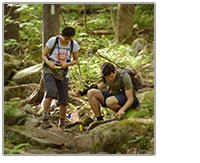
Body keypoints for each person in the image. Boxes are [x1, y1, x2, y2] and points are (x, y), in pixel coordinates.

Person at [41, 26, 80, 130]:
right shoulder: (53, 41)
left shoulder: (73, 44)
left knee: (64, 99)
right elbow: (44, 55)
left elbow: (76, 60)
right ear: (61, 35)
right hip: (50, 70)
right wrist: (49, 64)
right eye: (66, 38)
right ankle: (45, 118)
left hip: (63, 73)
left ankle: (61, 124)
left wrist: (67, 64)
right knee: (50, 92)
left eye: (70, 38)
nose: (68, 41)